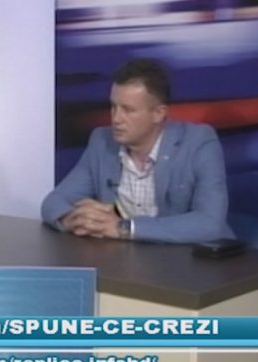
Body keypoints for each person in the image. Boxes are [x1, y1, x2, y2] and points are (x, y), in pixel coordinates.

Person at [41, 59, 233, 243]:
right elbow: (54, 201)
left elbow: (210, 223)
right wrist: (72, 219)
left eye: (128, 110)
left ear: (158, 113)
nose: (116, 119)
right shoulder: (102, 142)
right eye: (113, 107)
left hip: (190, 259)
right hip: (125, 260)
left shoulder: (198, 143)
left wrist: (124, 228)